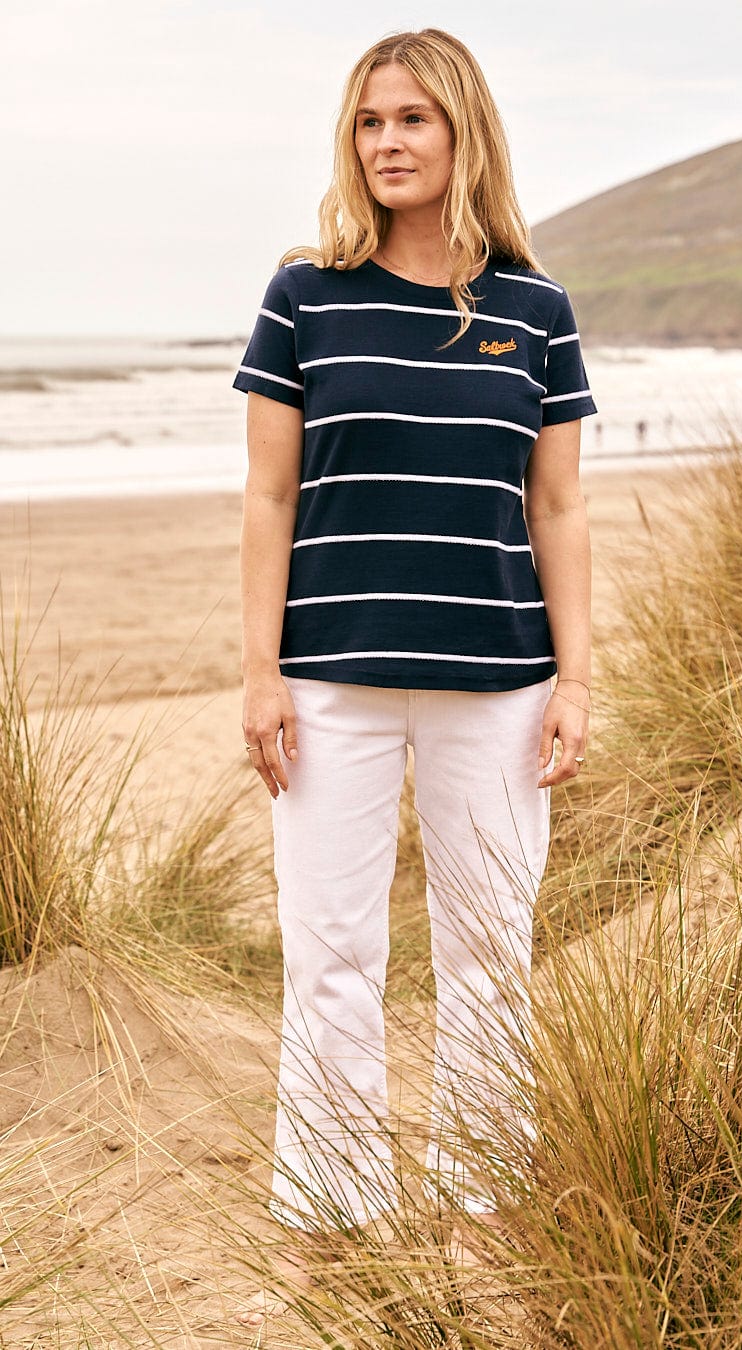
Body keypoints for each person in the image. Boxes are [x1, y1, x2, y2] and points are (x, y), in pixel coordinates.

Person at [231, 27, 596, 1324]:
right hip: (331, 682)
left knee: (490, 951)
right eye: (371, 120)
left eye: (415, 120)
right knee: (332, 955)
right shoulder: (304, 297)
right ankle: (326, 1215)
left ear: (463, 135)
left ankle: (487, 1204)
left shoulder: (536, 311)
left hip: (499, 681)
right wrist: (262, 672)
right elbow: (270, 496)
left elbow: (556, 511)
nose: (389, 141)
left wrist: (577, 677)